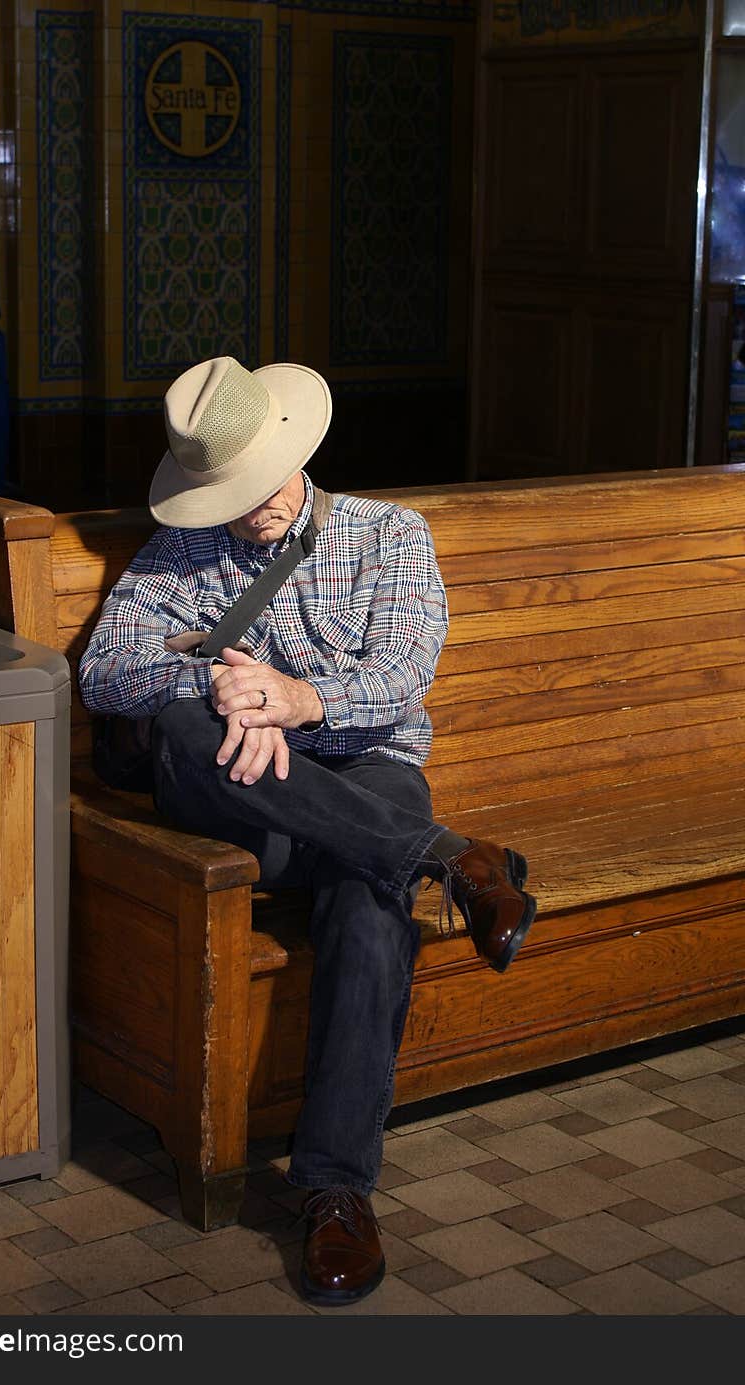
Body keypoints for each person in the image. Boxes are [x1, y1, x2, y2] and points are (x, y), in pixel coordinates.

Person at [78, 355, 537, 1307]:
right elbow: (104, 672)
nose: (252, 510)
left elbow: (401, 679)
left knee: (370, 905)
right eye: (229, 494)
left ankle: (334, 1192)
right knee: (179, 725)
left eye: (261, 484)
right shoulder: (183, 551)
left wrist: (298, 699)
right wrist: (211, 681)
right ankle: (454, 861)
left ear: (296, 448)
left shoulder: (389, 536)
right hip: (242, 811)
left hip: (366, 773)